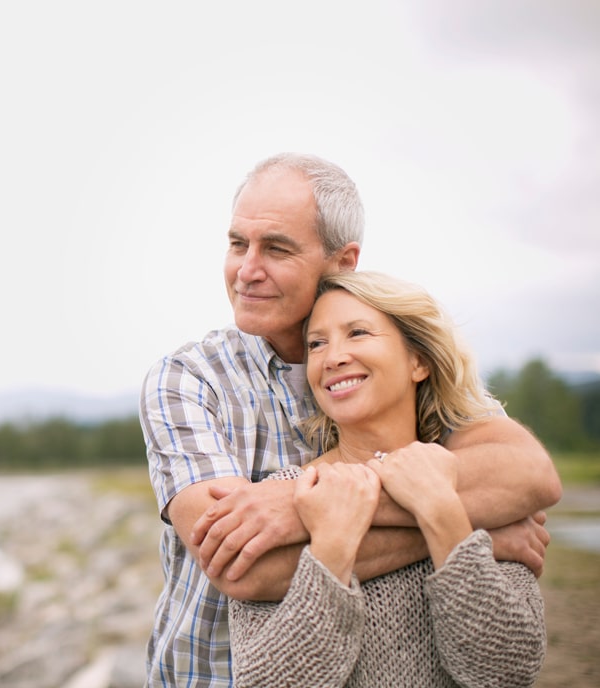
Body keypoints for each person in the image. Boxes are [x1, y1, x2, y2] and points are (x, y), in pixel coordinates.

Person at [140, 152, 561, 687]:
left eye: (276, 248)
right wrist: (467, 532)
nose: (246, 270)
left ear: (343, 260)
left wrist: (306, 513)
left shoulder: (400, 366)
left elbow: (529, 475)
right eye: (237, 243)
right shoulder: (188, 379)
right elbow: (246, 566)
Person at [228, 270, 546, 687]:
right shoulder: (283, 498)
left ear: (419, 361)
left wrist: (443, 514)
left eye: (357, 333)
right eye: (317, 344)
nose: (332, 357)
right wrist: (333, 547)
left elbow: (507, 672)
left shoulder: (474, 487)